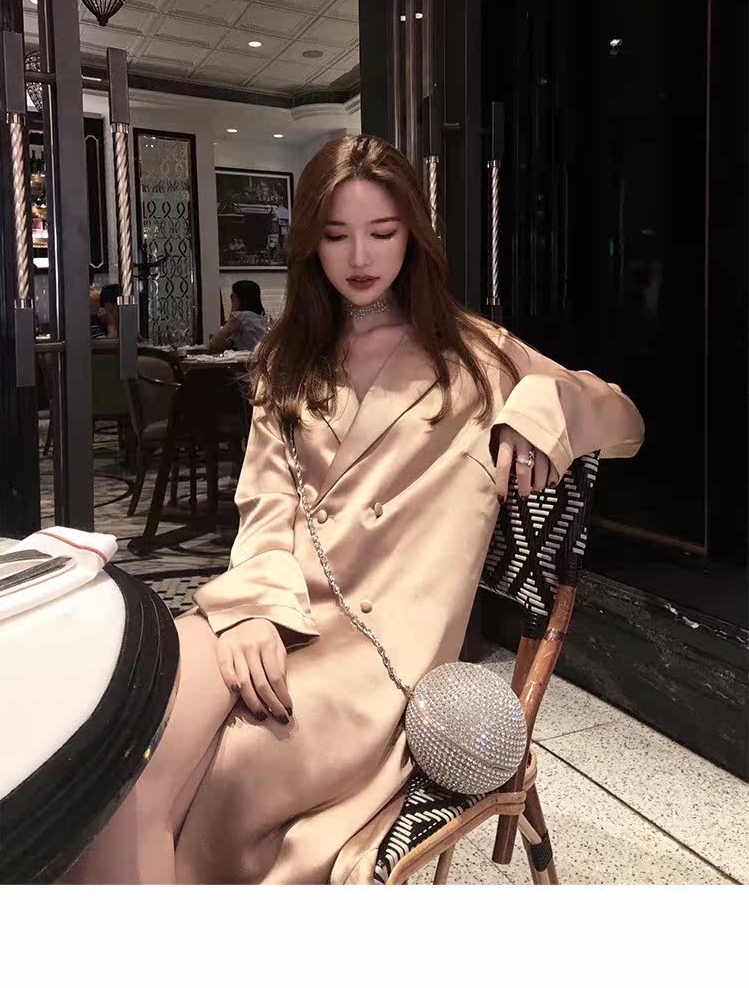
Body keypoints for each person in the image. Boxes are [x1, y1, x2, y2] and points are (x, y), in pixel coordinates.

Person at [64, 135, 644, 885]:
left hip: (375, 650)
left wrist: (545, 405)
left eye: (383, 232)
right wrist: (250, 610)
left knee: (232, 767)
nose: (360, 257)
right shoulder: (288, 359)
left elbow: (623, 419)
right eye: (336, 235)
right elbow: (266, 503)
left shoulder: (476, 355)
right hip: (273, 601)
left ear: (414, 236)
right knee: (124, 744)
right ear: (310, 243)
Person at [207, 280, 270, 354]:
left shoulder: (241, 316)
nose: (231, 299)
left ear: (240, 298)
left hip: (247, 358)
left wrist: (233, 313)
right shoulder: (263, 317)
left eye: (232, 296)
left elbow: (215, 342)